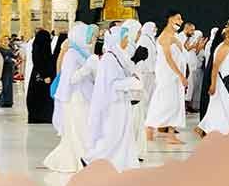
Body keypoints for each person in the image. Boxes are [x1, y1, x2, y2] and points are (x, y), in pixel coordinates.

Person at [84, 23, 143, 171]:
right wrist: (133, 82)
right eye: (125, 38)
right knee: (113, 134)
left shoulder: (117, 56)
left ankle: (124, 163)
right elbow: (113, 84)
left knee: (123, 134)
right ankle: (91, 158)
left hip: (121, 102)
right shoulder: (109, 59)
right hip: (113, 104)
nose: (127, 41)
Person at [44, 22, 99, 172]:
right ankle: (79, 159)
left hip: (83, 96)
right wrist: (87, 68)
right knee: (78, 130)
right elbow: (70, 79)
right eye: (89, 36)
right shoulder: (72, 54)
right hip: (75, 98)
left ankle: (84, 158)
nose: (92, 39)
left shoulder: (83, 53)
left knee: (83, 129)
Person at [145, 9, 189, 143]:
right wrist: (181, 75)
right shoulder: (165, 36)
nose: (181, 21)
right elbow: (168, 59)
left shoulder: (174, 36)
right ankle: (149, 128)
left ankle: (171, 135)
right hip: (168, 76)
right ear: (170, 19)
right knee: (163, 101)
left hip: (175, 76)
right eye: (178, 18)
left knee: (175, 103)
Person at [196, 18, 229, 137]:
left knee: (217, 107)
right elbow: (215, 66)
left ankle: (205, 128)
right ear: (227, 35)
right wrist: (213, 84)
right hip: (223, 83)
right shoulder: (224, 47)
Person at [27, 28, 56, 124]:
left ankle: (39, 116)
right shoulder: (40, 48)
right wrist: (45, 75)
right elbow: (39, 61)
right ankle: (42, 116)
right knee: (42, 97)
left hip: (37, 75)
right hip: (42, 75)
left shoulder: (37, 46)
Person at [0, 36, 16, 108]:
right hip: (4, 68)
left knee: (9, 85)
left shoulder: (9, 48)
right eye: (4, 39)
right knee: (5, 84)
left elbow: (13, 56)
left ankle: (8, 102)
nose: (6, 41)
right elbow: (1, 58)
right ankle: (1, 102)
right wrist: (10, 59)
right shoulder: (0, 49)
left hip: (10, 68)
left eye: (7, 39)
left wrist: (16, 57)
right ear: (1, 41)